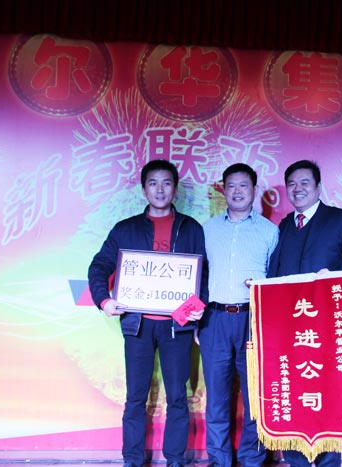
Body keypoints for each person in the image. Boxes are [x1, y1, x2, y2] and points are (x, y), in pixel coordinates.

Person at [87, 159, 208, 467]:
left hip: (177, 326)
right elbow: (99, 266)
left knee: (177, 397)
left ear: (175, 189)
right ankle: (132, 459)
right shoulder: (125, 229)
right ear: (144, 189)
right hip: (138, 326)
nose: (160, 189)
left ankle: (175, 459)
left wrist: (194, 312)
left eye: (166, 182)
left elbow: (205, 275)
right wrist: (104, 301)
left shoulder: (191, 228)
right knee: (136, 397)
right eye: (153, 183)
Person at [267, 159, 342, 467]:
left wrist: (331, 278)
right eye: (292, 184)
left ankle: (328, 462)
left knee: (326, 398)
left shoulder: (341, 220)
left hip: (326, 328)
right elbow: (274, 276)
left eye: (304, 183)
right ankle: (297, 461)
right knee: (293, 396)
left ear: (317, 187)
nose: (297, 189)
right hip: (289, 331)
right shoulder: (285, 226)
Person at [200, 163, 279, 467]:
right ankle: (219, 460)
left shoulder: (269, 232)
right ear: (223, 189)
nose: (237, 191)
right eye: (231, 185)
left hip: (253, 320)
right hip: (214, 319)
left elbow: (276, 279)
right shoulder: (207, 229)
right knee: (216, 399)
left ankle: (251, 459)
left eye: (243, 185)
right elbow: (198, 276)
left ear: (254, 190)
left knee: (255, 397)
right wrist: (197, 321)